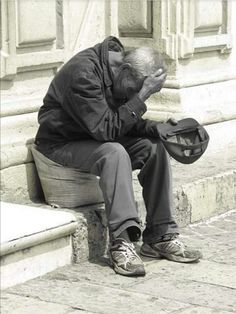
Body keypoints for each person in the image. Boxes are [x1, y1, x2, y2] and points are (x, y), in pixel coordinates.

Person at [34, 36, 202, 277]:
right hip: (59, 143)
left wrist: (159, 128)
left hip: (92, 138)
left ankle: (160, 235)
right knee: (115, 152)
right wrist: (141, 94)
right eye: (138, 89)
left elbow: (120, 121)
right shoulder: (83, 75)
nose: (138, 96)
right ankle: (122, 242)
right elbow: (107, 130)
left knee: (154, 147)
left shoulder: (120, 73)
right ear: (125, 71)